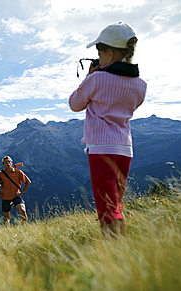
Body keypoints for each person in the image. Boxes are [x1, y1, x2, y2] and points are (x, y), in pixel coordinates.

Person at [69, 22, 147, 238]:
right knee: (116, 202)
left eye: (99, 52)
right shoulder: (141, 84)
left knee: (105, 204)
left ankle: (113, 251)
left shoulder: (96, 79)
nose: (97, 57)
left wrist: (89, 76)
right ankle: (121, 244)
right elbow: (133, 105)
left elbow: (75, 104)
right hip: (125, 148)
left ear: (109, 52)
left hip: (101, 148)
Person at [0, 156, 31, 227]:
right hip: (6, 197)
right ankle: (8, 231)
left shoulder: (18, 172)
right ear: (3, 164)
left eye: (9, 161)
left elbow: (28, 182)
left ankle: (23, 228)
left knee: (23, 211)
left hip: (16, 196)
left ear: (12, 163)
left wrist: (22, 192)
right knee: (6, 216)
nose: (8, 163)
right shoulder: (0, 174)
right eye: (6, 162)